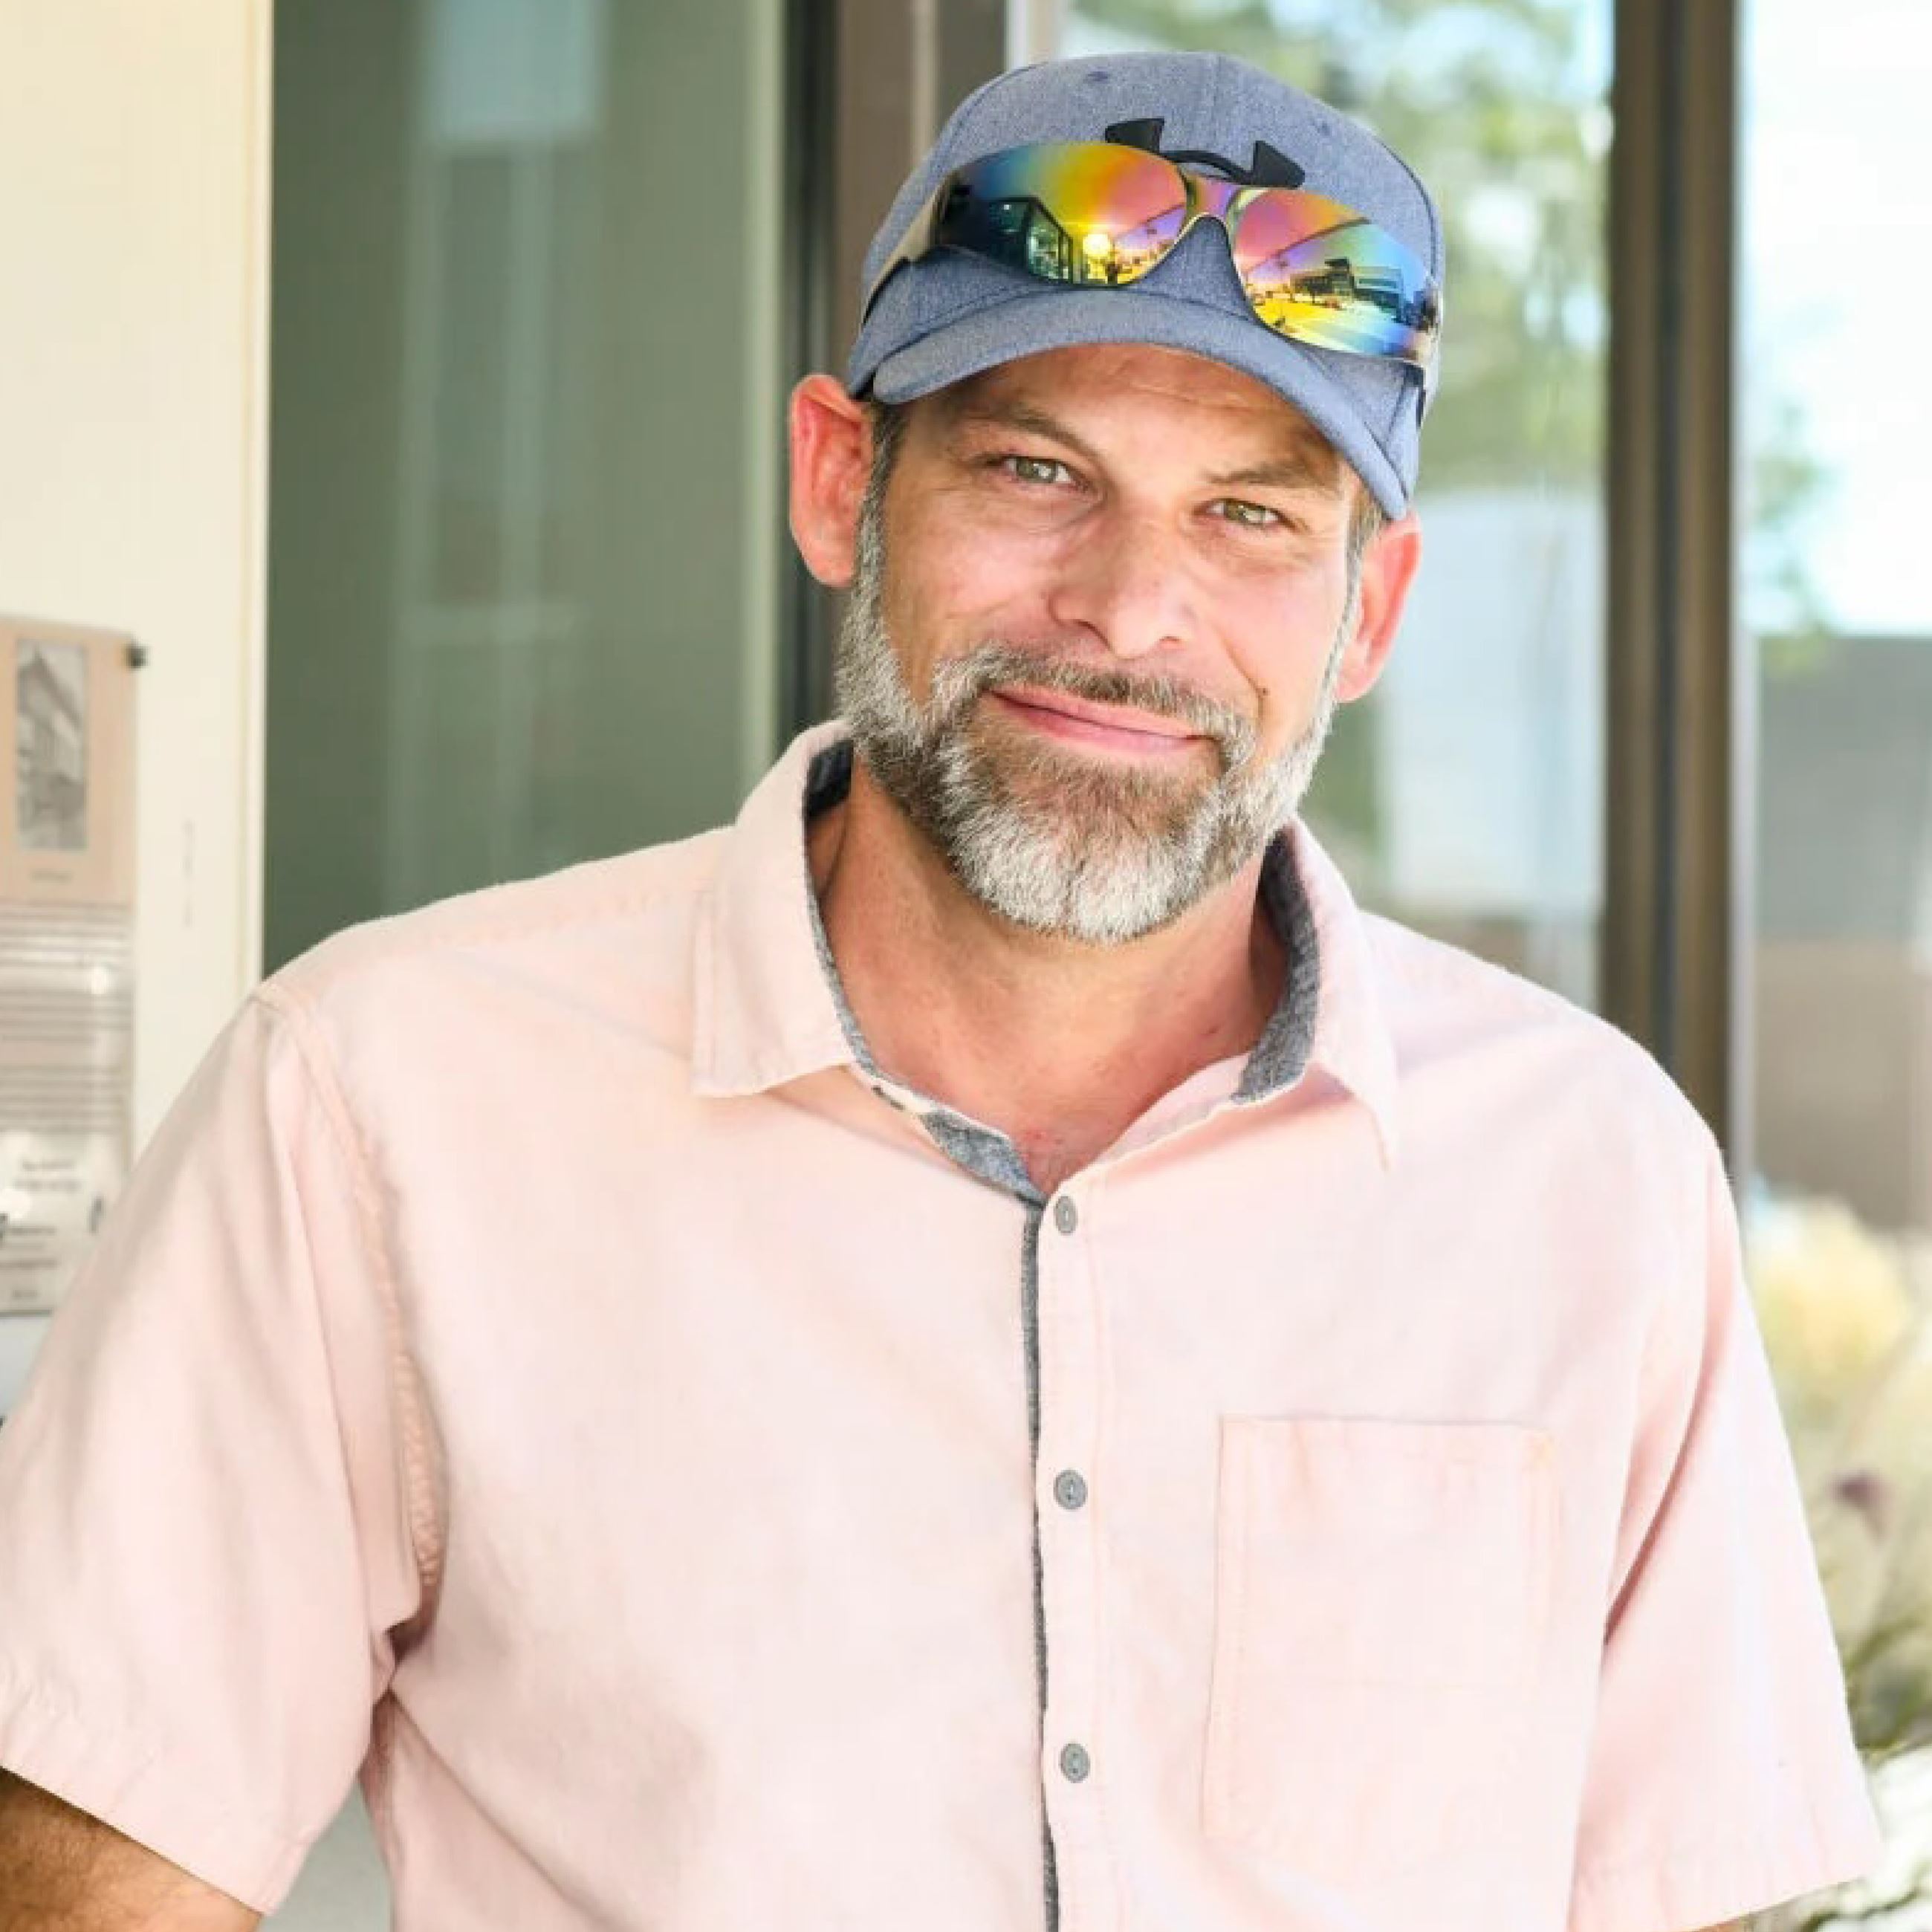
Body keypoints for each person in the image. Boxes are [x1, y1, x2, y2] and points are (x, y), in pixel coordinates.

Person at [0, 49, 1882, 1932]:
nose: (1132, 609)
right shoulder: (376, 1102)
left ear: (1367, 613)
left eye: (1252, 515)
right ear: (843, 482)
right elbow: (94, 1875)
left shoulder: (1588, 1179)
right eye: (1036, 468)